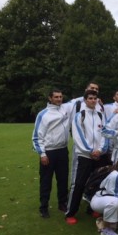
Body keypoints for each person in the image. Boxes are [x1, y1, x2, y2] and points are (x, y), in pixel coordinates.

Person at [66, 89, 109, 224]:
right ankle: (70, 213)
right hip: (85, 156)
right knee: (79, 184)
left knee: (96, 183)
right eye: (90, 98)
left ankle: (92, 209)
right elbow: (78, 136)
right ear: (85, 100)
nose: (92, 101)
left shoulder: (101, 115)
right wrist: (90, 151)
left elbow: (105, 134)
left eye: (94, 98)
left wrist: (100, 150)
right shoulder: (80, 116)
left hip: (99, 155)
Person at [32, 89, 70, 218]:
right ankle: (43, 207)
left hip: (63, 150)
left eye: (60, 96)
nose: (59, 99)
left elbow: (79, 101)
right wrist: (42, 154)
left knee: (63, 179)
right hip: (49, 152)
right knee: (46, 181)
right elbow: (37, 136)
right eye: (56, 97)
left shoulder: (64, 109)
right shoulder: (43, 114)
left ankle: (62, 203)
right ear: (50, 98)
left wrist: (97, 100)